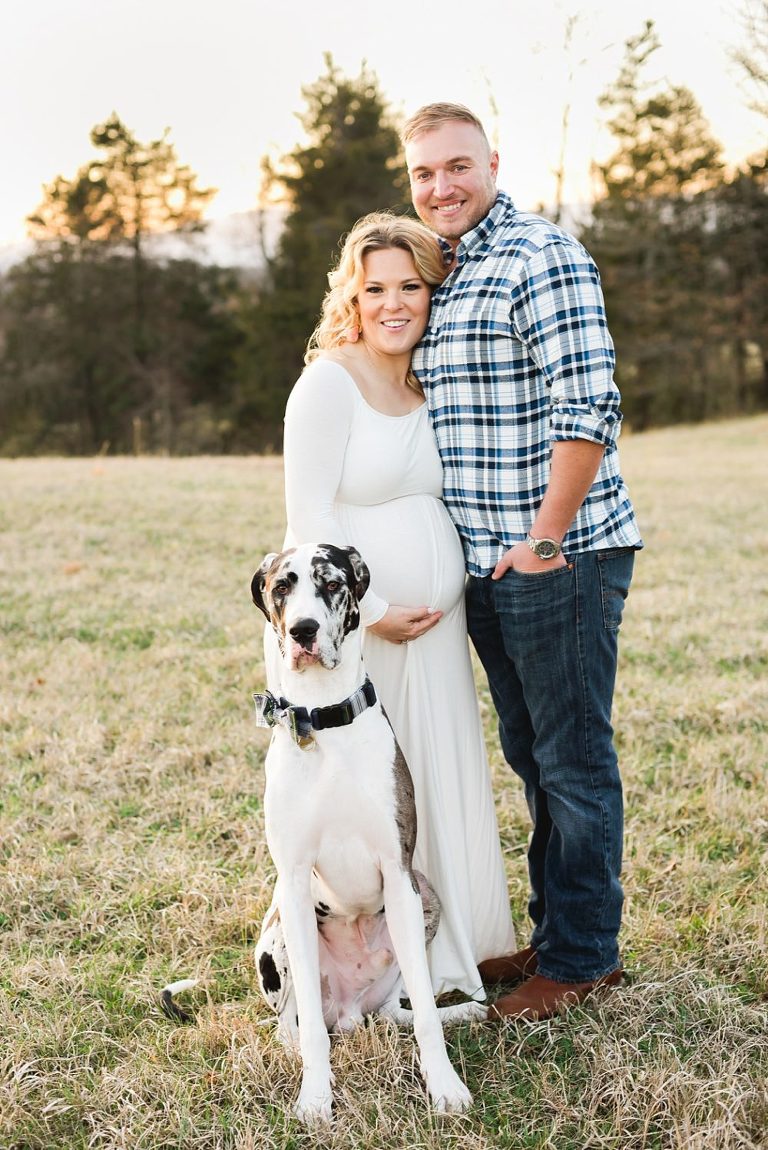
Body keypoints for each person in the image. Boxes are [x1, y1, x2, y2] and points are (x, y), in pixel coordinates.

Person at [401, 103, 643, 1021]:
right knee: (534, 755)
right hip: (490, 571)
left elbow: (589, 409)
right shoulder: (445, 269)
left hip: (560, 555)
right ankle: (559, 934)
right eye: (424, 174)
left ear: (493, 162)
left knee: (573, 758)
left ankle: (582, 961)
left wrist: (544, 542)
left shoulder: (541, 256)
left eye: (458, 166)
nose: (442, 187)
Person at [272, 210, 517, 1000]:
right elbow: (310, 518)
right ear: (352, 293)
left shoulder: (426, 378)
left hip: (435, 635)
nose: (392, 303)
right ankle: (375, 968)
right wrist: (373, 610)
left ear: (431, 290)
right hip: (362, 637)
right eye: (374, 287)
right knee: (381, 797)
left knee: (440, 779)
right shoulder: (328, 381)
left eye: (410, 285)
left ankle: (461, 951)